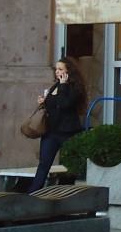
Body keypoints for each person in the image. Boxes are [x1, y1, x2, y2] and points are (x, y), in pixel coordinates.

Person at [27, 56, 88, 194]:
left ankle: (65, 191)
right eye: (56, 69)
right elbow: (54, 104)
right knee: (44, 164)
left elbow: (65, 103)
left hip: (68, 132)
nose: (57, 72)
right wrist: (44, 101)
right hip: (51, 132)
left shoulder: (74, 88)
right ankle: (33, 192)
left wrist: (64, 86)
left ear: (69, 72)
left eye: (60, 69)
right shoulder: (56, 85)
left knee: (71, 165)